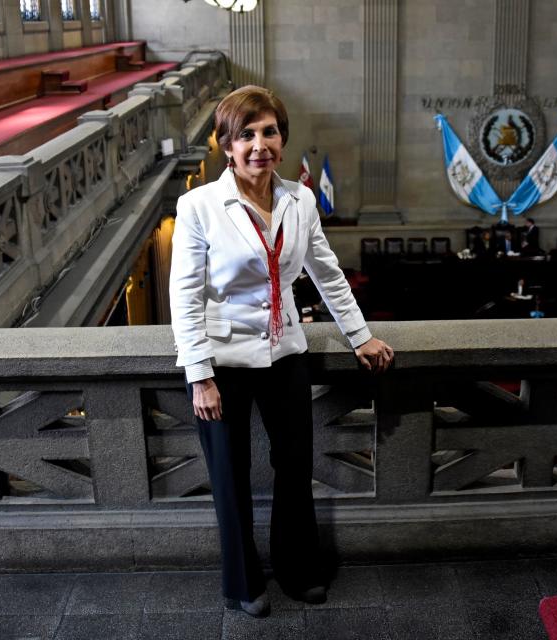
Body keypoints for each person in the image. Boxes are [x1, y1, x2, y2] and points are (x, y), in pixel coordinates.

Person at [169, 85, 395, 618]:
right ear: (226, 145)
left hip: (284, 351)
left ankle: (298, 570)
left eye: (268, 131)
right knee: (231, 475)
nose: (258, 144)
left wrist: (359, 335)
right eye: (245, 135)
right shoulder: (199, 205)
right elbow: (184, 295)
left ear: (282, 138)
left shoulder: (300, 199)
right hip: (221, 360)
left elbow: (326, 273)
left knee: (295, 467)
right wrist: (199, 375)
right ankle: (243, 583)